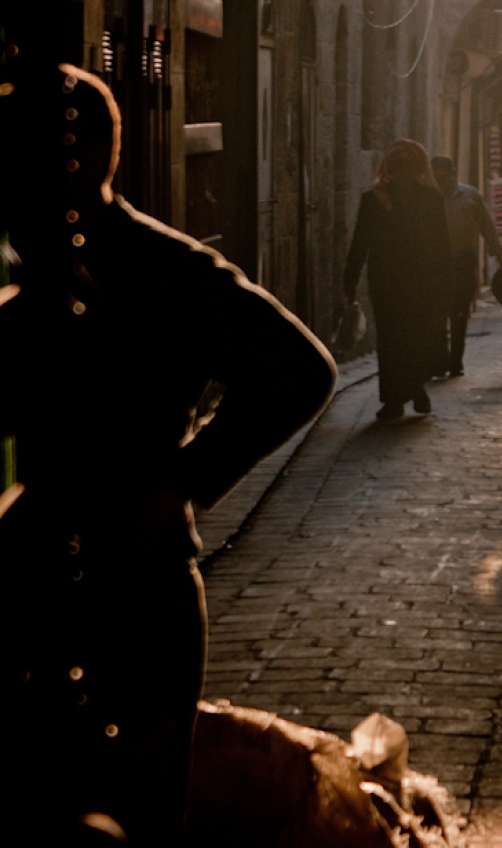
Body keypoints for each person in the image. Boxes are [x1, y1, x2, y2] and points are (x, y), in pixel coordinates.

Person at [0, 65, 336, 846]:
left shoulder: (164, 267)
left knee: (140, 812)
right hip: (33, 573)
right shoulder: (27, 269)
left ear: (83, 156)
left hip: (136, 584)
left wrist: (182, 479)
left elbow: (300, 368)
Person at [343, 139, 451, 421]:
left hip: (390, 282)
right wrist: (444, 283)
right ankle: (412, 391)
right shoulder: (429, 199)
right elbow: (442, 247)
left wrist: (350, 279)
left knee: (393, 340)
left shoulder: (375, 199)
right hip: (415, 282)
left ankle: (397, 398)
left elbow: (360, 244)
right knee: (414, 336)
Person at [430, 155, 502, 377]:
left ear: (452, 173)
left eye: (443, 175)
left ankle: (455, 361)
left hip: (463, 260)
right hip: (436, 262)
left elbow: (486, 224)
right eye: (436, 176)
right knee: (437, 313)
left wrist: (497, 251)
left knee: (459, 313)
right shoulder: (429, 197)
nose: (440, 181)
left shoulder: (470, 195)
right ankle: (439, 360)